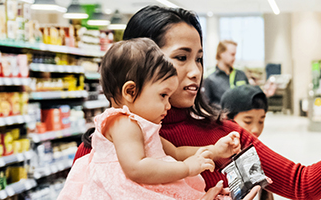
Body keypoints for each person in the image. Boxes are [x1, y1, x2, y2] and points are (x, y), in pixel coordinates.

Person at [74, 5, 321, 200]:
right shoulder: (104, 143)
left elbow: (303, 184)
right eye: (181, 58)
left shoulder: (225, 137)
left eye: (199, 59)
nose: (195, 72)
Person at [59, 38, 241, 200]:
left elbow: (176, 153)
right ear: (130, 92)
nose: (168, 105)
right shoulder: (123, 123)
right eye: (163, 95)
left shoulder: (141, 126)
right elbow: (136, 168)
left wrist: (214, 150)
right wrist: (186, 168)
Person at [202, 40, 249, 105]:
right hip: (220, 114)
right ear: (221, 53)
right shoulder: (209, 78)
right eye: (232, 54)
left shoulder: (241, 74)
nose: (234, 58)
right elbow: (205, 105)